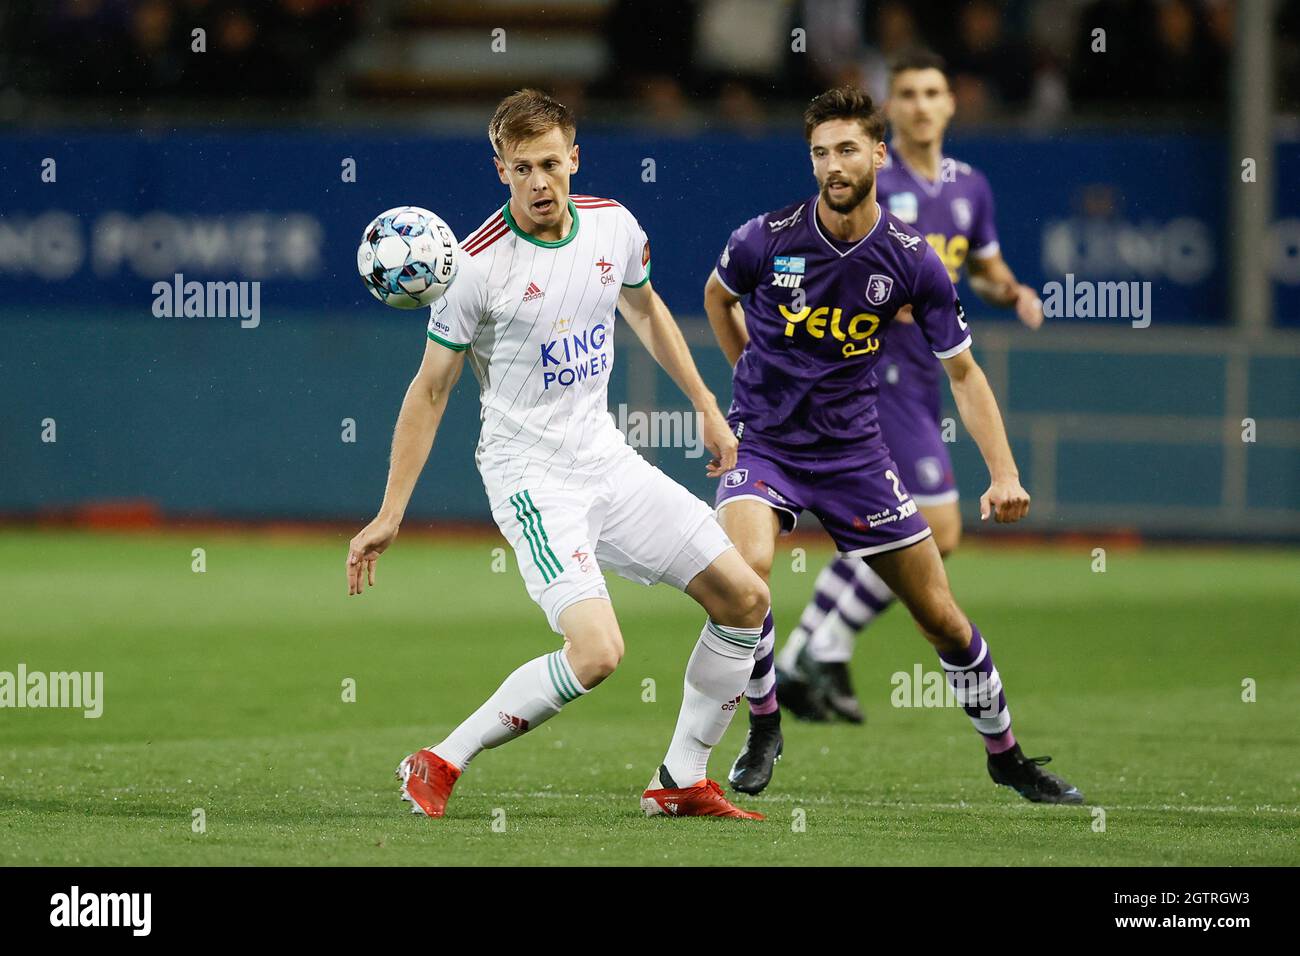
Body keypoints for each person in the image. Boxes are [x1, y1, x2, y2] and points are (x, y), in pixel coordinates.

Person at [347, 89, 770, 821]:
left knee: (746, 599)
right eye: (521, 168)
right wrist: (391, 512)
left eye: (551, 163)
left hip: (606, 459)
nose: (539, 181)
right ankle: (441, 759)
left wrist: (706, 403)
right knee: (599, 653)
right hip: (531, 479)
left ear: (574, 158)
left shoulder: (613, 227)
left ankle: (679, 778)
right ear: (499, 170)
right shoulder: (473, 270)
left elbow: (644, 306)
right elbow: (430, 392)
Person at [705, 86, 1081, 805]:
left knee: (940, 616)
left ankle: (1007, 757)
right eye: (820, 152)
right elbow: (717, 296)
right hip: (766, 444)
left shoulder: (913, 261)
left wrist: (1003, 473)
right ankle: (763, 724)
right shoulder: (765, 235)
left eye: (847, 149)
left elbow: (964, 375)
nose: (832, 166)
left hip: (854, 457)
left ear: (879, 154)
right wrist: (745, 378)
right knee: (745, 577)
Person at [776, 49, 1045, 727]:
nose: (923, 104)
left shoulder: (968, 187)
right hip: (871, 368)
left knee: (905, 530)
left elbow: (978, 267)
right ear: (890, 111)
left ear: (951, 102)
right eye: (909, 94)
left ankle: (808, 651)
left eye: (934, 91)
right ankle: (819, 645)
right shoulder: (868, 177)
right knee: (940, 527)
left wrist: (1009, 289)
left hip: (923, 371)